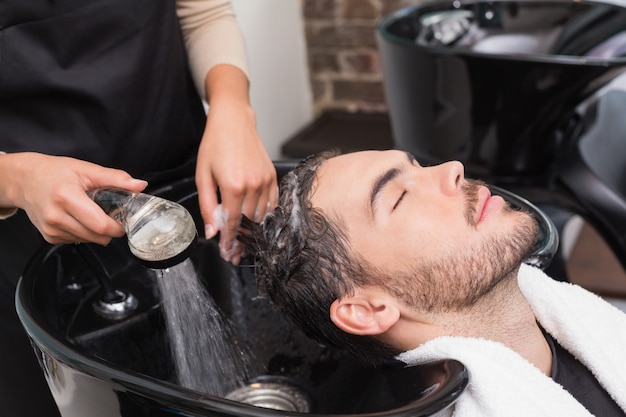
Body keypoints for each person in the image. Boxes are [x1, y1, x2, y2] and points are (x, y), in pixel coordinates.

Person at [0, 1, 277, 416]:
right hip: (27, 222)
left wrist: (233, 106)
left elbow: (202, 12)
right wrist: (14, 179)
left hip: (176, 172)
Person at [238, 149, 626, 417]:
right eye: (400, 196)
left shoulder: (596, 335)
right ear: (368, 309)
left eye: (418, 165)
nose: (452, 168)